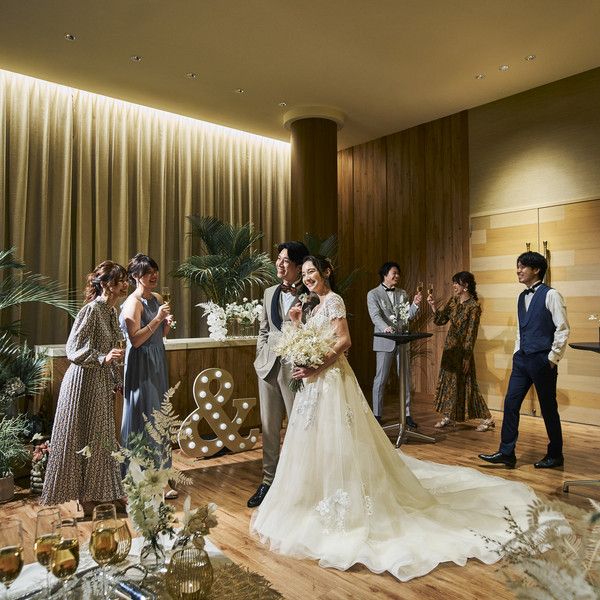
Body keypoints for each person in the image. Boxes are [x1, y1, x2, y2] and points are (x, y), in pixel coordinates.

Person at [250, 255, 540, 582]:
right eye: (304, 274)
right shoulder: (313, 307)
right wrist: (296, 322)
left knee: (339, 441)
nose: (307, 278)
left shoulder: (334, 301)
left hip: (330, 382)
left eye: (312, 271)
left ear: (326, 271)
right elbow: (308, 341)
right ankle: (313, 499)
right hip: (313, 386)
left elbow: (344, 341)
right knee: (315, 444)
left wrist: (316, 366)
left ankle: (347, 503)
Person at [41, 261, 128, 516]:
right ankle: (87, 497)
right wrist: (102, 358)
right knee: (86, 437)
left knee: (102, 438)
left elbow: (113, 351)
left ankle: (105, 492)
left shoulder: (111, 312)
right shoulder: (91, 310)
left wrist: (117, 380)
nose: (125, 284)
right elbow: (72, 349)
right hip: (83, 382)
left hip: (100, 381)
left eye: (126, 280)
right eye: (120, 280)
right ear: (106, 284)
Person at [479, 252, 569, 469]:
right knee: (511, 403)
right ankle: (506, 453)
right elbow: (522, 329)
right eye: (517, 266)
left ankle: (555, 454)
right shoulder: (521, 297)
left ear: (536, 270)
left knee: (548, 408)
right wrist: (517, 352)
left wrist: (552, 358)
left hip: (542, 360)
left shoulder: (551, 295)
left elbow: (563, 328)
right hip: (522, 360)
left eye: (522, 267)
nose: (518, 270)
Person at [247, 241, 310, 508]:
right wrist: (260, 355)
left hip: (295, 368)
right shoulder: (269, 292)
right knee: (269, 427)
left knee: (297, 426)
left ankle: (298, 482)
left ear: (298, 266)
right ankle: (268, 481)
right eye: (279, 259)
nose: (279, 264)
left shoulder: (310, 293)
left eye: (285, 261)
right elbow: (263, 329)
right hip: (267, 366)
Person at [120, 254, 177, 496]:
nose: (154, 276)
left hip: (157, 361)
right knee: (145, 415)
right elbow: (136, 340)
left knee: (160, 415)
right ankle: (143, 478)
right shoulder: (133, 303)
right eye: (148, 273)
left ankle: (162, 475)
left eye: (155, 271)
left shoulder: (158, 298)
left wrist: (166, 325)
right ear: (135, 276)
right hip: (141, 364)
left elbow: (158, 336)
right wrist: (157, 319)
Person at [427, 272, 494, 431]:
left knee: (468, 385)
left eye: (456, 283)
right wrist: (433, 306)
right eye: (454, 283)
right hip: (450, 349)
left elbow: (471, 334)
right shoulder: (453, 301)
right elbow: (440, 320)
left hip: (463, 352)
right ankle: (448, 416)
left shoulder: (474, 307)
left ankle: (487, 418)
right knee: (449, 383)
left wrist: (467, 357)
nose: (454, 286)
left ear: (465, 285)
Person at [367, 262, 421, 428]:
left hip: (402, 341)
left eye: (398, 273)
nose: (397, 276)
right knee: (381, 379)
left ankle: (407, 414)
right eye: (394, 273)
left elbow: (407, 317)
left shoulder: (402, 293)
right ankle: (377, 414)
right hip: (384, 341)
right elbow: (375, 316)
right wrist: (386, 328)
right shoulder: (373, 294)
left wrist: (415, 304)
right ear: (385, 274)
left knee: (405, 379)